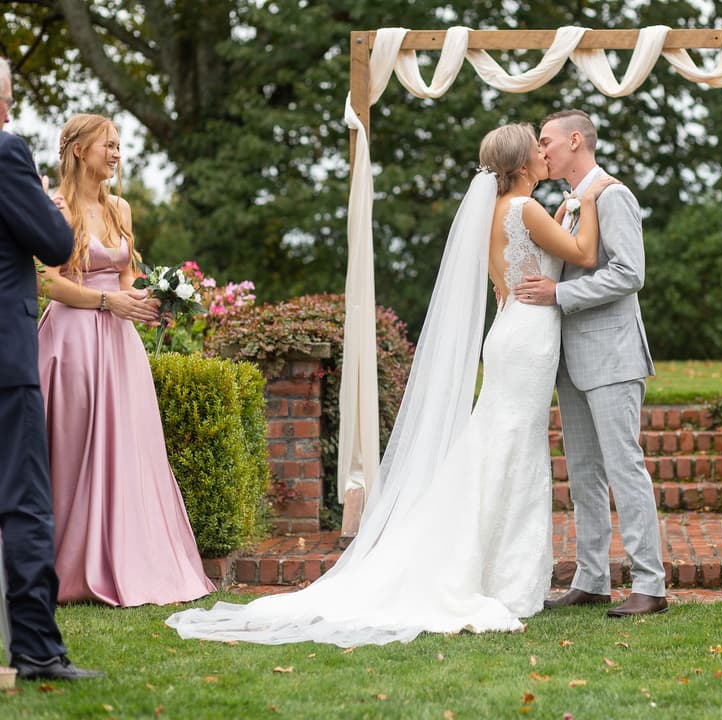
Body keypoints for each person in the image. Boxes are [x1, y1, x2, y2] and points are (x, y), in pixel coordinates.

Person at [165, 123, 616, 646]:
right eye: (535, 149)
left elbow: (525, 267)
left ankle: (491, 569)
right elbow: (583, 255)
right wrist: (594, 196)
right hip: (528, 340)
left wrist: (565, 213)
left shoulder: (500, 214)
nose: (544, 154)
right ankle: (503, 579)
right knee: (512, 451)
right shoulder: (526, 209)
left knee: (501, 448)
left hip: (512, 330)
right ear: (520, 164)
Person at [36, 113, 214, 607]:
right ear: (77, 150)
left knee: (124, 447)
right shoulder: (55, 206)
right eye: (107, 145)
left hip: (118, 344)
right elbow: (45, 280)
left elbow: (124, 277)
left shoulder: (120, 208)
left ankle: (123, 556)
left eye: (119, 146)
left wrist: (152, 298)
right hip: (70, 340)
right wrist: (105, 303)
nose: (115, 153)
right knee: (71, 448)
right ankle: (62, 566)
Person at [515, 109, 667, 617]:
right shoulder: (570, 202)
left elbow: (629, 273)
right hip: (570, 360)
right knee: (582, 473)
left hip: (612, 354)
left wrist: (560, 292)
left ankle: (650, 584)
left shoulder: (614, 195)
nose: (541, 151)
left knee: (624, 467)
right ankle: (592, 578)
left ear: (575, 140)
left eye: (546, 141)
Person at [0, 57, 102, 680]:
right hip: (5, 362)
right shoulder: (8, 153)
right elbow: (57, 245)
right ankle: (36, 649)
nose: (10, 109)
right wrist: (36, 194)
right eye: (7, 97)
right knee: (26, 503)